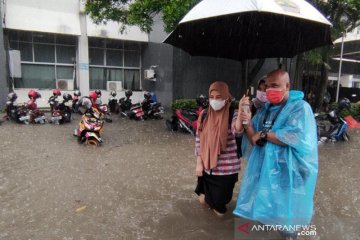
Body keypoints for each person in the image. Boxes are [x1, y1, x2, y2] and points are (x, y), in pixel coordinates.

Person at [233, 69, 318, 240]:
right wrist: (248, 123)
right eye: (267, 87)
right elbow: (253, 140)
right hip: (265, 173)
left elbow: (297, 137)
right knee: (266, 212)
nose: (269, 90)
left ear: (287, 86)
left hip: (291, 173)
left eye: (275, 86)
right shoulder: (265, 110)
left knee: (287, 218)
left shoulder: (300, 108)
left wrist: (264, 134)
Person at [194, 81, 241, 216]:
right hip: (207, 168)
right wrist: (199, 164)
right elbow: (198, 139)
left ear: (226, 97)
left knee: (219, 209)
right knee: (203, 200)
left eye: (219, 97)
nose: (215, 100)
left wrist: (242, 115)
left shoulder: (234, 113)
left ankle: (220, 232)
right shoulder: (204, 114)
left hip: (226, 171)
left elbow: (237, 131)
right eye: (212, 97)